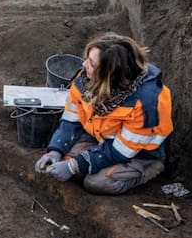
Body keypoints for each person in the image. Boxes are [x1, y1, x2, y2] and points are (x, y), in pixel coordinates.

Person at [35, 34, 173, 195]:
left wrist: (74, 166)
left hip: (140, 153)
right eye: (87, 59)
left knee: (96, 182)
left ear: (110, 75)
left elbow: (121, 151)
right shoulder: (85, 78)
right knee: (65, 164)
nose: (84, 64)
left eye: (92, 64)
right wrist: (56, 150)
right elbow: (71, 120)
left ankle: (150, 169)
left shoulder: (145, 103)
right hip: (101, 136)